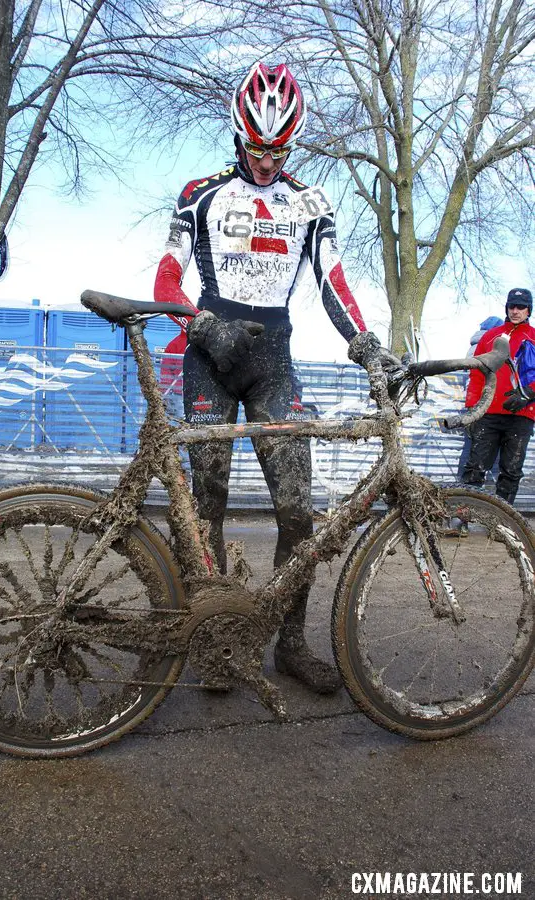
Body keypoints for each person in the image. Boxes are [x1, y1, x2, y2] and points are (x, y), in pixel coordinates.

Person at [153, 61, 398, 694]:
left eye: (279, 148)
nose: (267, 161)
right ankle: (210, 644)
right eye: (258, 148)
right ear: (239, 137)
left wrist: (365, 344)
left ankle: (290, 642)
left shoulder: (309, 202)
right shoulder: (199, 193)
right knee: (204, 507)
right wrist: (201, 328)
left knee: (296, 508)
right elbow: (166, 279)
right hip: (209, 360)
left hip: (272, 365)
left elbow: (332, 283)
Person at [461, 288, 535, 505]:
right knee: (475, 467)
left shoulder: (534, 337)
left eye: (520, 307)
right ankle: (462, 517)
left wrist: (528, 394)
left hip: (522, 415)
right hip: (489, 413)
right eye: (512, 306)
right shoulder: (490, 336)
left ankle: (502, 524)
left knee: (511, 472)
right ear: (507, 307)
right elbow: (476, 373)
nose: (515, 311)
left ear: (528, 309)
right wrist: (473, 409)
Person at [456, 315, 503, 477]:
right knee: (479, 443)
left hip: (475, 401)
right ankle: (475, 481)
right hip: (483, 403)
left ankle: (464, 478)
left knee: (473, 443)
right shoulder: (488, 347)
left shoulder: (473, 347)